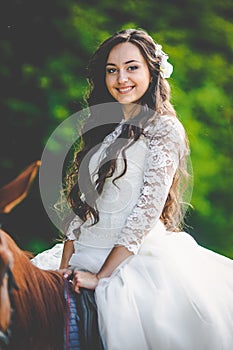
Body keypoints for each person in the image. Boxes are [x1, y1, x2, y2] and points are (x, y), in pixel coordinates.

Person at [33, 29, 233, 350]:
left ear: (152, 72)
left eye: (132, 67)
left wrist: (102, 278)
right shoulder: (106, 130)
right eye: (112, 70)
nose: (121, 78)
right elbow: (83, 209)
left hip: (130, 261)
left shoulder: (164, 129)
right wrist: (64, 269)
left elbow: (146, 210)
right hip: (85, 254)